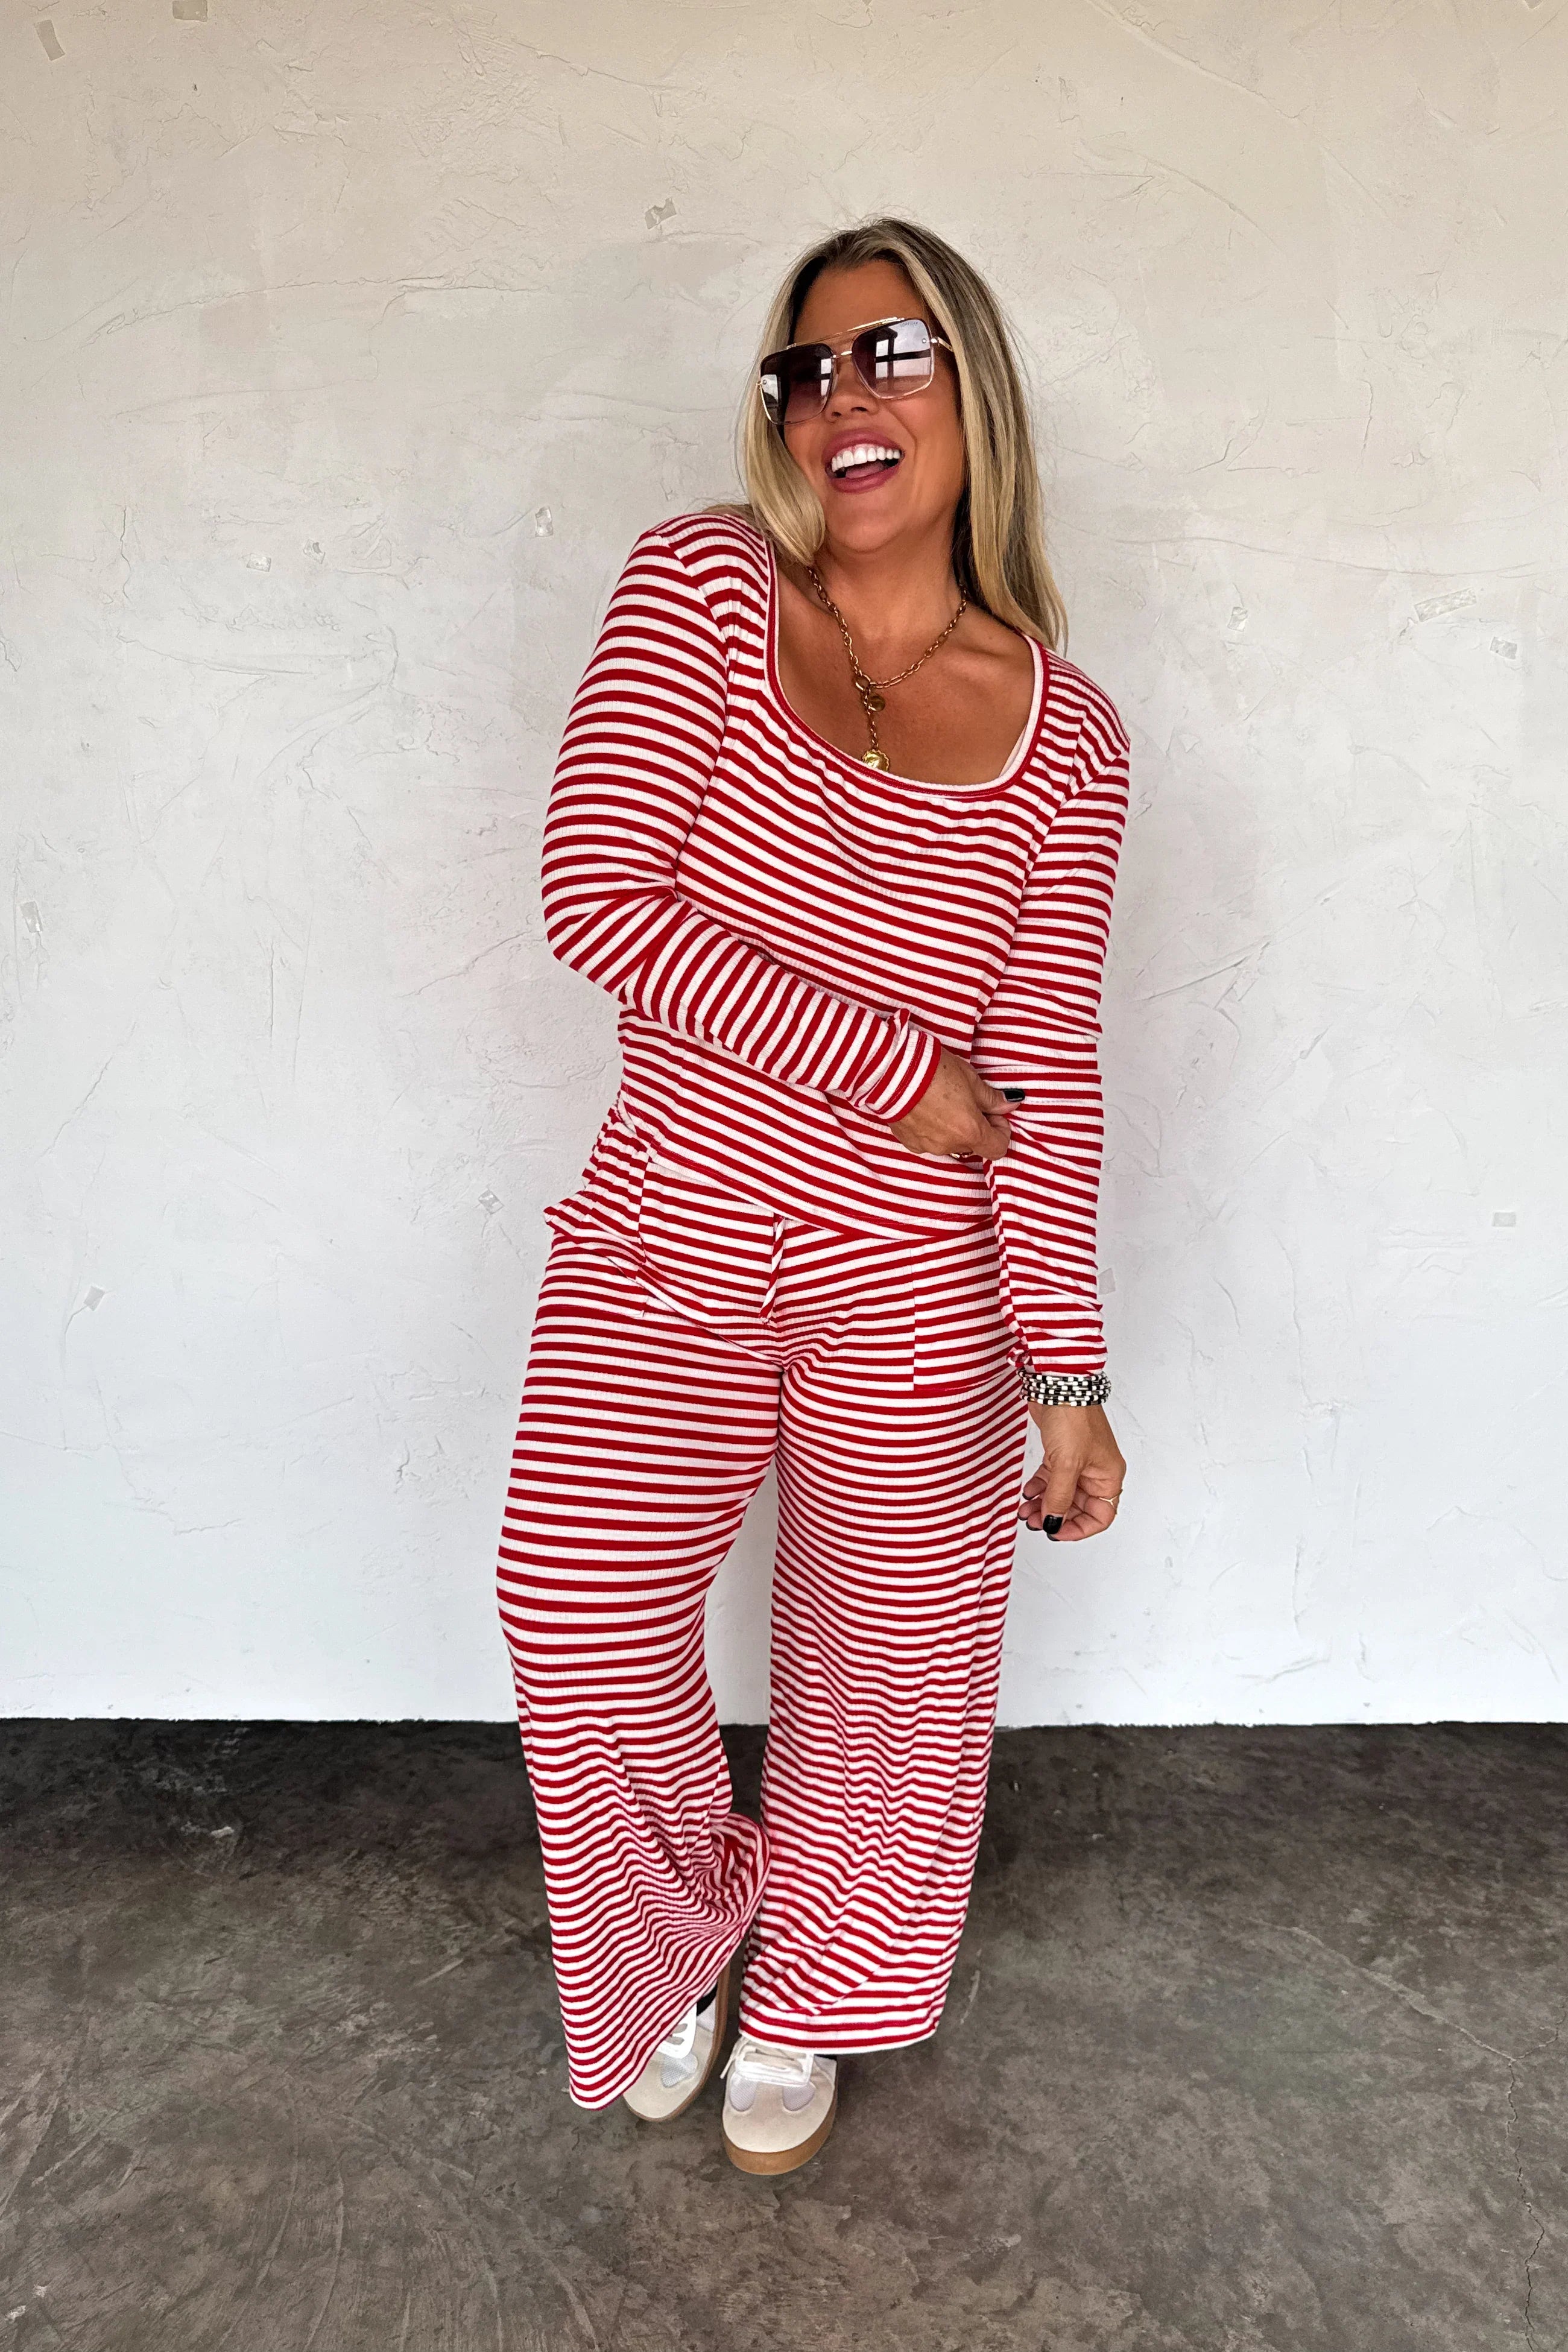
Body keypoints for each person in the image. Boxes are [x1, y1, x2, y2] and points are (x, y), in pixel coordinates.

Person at [496, 217, 1129, 2177]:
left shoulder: (1069, 736)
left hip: (920, 1284)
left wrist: (1069, 1372)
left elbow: (1044, 1079)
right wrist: (897, 1071)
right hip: (667, 1236)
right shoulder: (703, 585)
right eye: (806, 367)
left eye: (890, 354)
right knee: (575, 1606)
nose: (839, 396)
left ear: (977, 395)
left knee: (889, 1670)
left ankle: (820, 1989)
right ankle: (684, 1926)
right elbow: (598, 892)